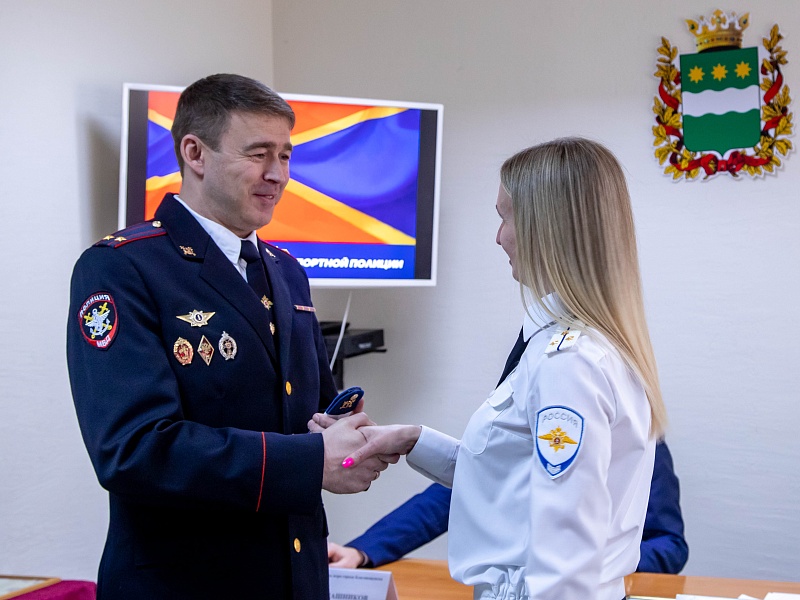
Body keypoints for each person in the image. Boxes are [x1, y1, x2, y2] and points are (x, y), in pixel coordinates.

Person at [67, 74, 391, 599]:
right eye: (259, 154)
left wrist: (350, 435)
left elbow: (306, 410)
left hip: (296, 576)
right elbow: (133, 450)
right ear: (195, 153)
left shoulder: (286, 270)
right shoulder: (123, 268)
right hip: (187, 584)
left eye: (285, 156)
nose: (277, 175)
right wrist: (313, 460)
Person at [311, 137, 667, 600]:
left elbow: (567, 555)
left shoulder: (568, 363)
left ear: (544, 227)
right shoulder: (574, 345)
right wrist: (413, 439)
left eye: (505, 217)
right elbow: (512, 477)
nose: (499, 237)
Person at [328, 441, 688, 574]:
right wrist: (361, 551)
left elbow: (669, 545)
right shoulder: (524, 435)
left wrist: (599, 560)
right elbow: (444, 501)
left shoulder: (642, 445)